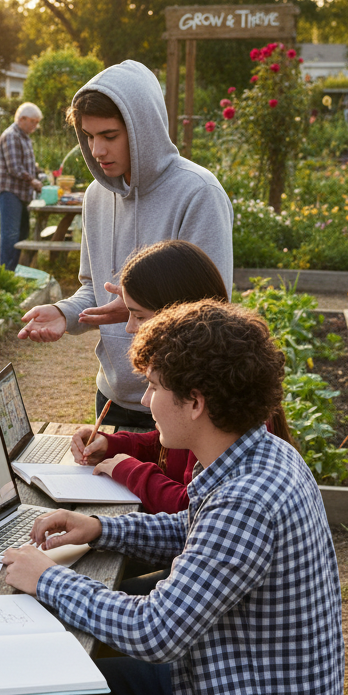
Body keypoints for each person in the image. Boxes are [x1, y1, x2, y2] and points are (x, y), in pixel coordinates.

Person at [3, 300, 343, 695]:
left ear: (196, 402)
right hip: (237, 681)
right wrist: (102, 528)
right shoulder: (257, 455)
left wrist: (47, 578)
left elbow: (155, 631)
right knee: (73, 688)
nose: (145, 400)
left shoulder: (246, 501)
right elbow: (193, 530)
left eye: (156, 386)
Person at [17, 61, 234, 429]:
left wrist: (140, 308)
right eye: (88, 136)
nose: (96, 150)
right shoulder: (95, 195)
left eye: (110, 135)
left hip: (179, 398)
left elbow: (212, 312)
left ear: (142, 128)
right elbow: (94, 287)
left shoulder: (199, 193)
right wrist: (64, 313)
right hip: (111, 397)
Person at [69, 240, 294, 513]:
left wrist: (129, 470)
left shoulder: (221, 395)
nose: (130, 328)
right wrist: (112, 444)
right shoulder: (209, 376)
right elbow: (170, 452)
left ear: (175, 312)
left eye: (138, 316)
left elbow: (193, 508)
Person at [0, 102, 43, 272]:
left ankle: (16, 270)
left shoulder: (24, 137)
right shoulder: (11, 136)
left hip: (21, 193)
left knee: (22, 234)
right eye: (33, 122)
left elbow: (27, 164)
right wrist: (33, 181)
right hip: (10, 192)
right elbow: (14, 167)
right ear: (22, 119)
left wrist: (39, 173)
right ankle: (6, 273)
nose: (35, 126)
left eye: (37, 123)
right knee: (11, 235)